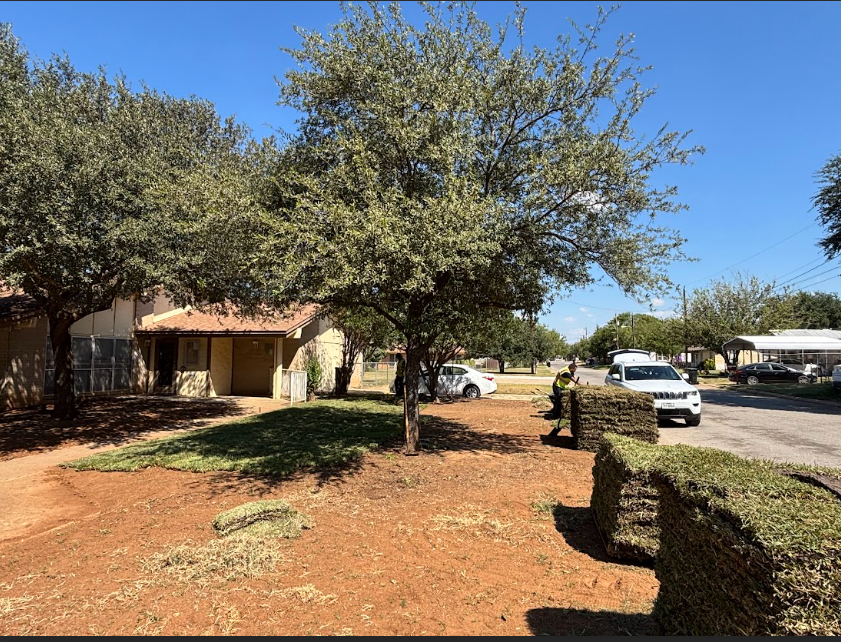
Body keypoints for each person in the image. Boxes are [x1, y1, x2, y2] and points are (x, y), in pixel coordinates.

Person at [547, 361, 580, 436]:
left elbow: (573, 376)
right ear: (572, 368)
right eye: (575, 369)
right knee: (559, 401)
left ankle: (557, 413)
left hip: (562, 386)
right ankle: (555, 415)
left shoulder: (569, 370)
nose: (575, 371)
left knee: (559, 401)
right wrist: (580, 384)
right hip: (557, 386)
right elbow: (573, 379)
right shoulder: (566, 372)